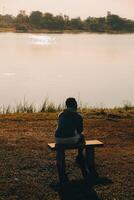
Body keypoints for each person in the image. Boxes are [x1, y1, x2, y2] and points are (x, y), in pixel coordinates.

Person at [55, 97, 86, 185]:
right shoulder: (78, 116)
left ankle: (60, 162)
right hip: (69, 139)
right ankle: (80, 156)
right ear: (75, 105)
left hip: (58, 139)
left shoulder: (60, 114)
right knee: (82, 136)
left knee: (61, 147)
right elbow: (80, 131)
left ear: (66, 105)